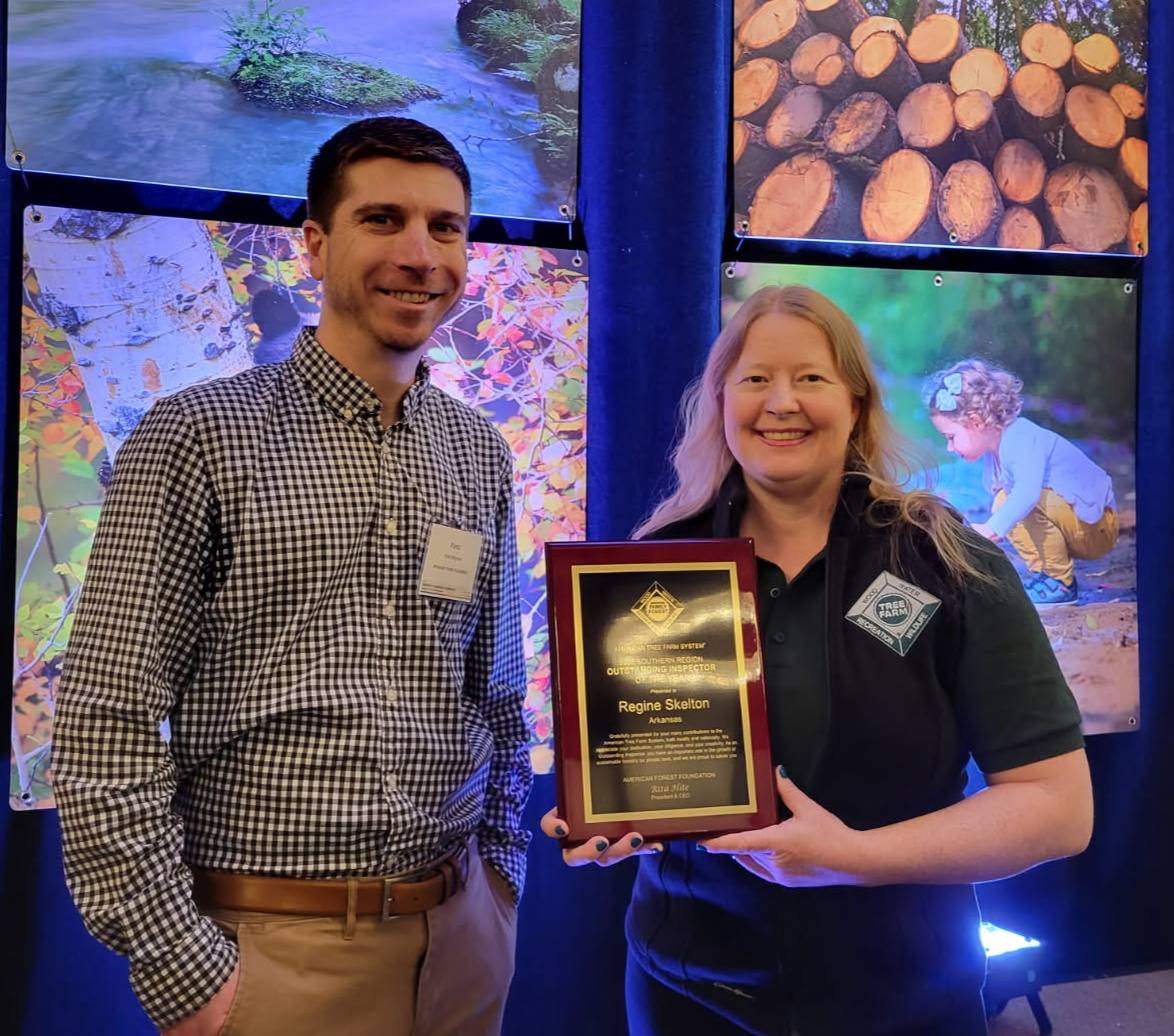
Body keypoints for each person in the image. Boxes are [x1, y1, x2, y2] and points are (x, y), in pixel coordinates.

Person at [53, 117, 531, 1036]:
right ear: (314, 244)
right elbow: (106, 720)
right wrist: (187, 975)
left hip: (460, 943)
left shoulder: (478, 451)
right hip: (273, 953)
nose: (419, 254)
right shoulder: (199, 436)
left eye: (445, 227)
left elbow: (498, 698)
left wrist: (501, 886)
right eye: (383, 219)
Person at [541, 285, 1093, 1036]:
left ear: (856, 403)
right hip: (689, 992)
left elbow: (1057, 809)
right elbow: (641, 765)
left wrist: (853, 857)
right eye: (755, 378)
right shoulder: (653, 568)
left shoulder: (947, 562)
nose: (782, 402)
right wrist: (606, 808)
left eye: (810, 377)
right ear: (720, 401)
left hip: (905, 993)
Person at [925, 359, 1119, 605]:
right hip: (1078, 522)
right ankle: (1045, 575)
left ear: (976, 422)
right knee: (1003, 501)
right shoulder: (996, 451)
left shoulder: (1021, 437)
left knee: (1017, 500)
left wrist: (991, 528)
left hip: (1098, 526)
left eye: (951, 437)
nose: (949, 447)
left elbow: (1027, 493)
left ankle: (1060, 582)